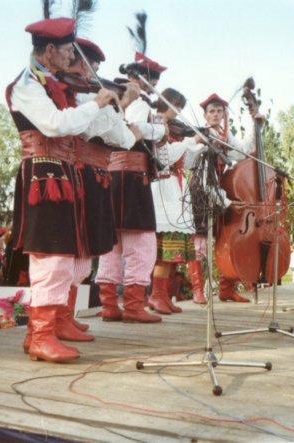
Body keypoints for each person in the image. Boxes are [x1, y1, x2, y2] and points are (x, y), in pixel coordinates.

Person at [6, 17, 119, 362]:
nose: (72, 57)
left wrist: (105, 108)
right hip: (44, 177)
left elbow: (83, 129)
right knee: (51, 256)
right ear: (51, 49)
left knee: (64, 256)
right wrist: (97, 104)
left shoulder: (54, 84)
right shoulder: (27, 85)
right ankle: (41, 335)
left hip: (62, 173)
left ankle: (45, 329)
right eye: (69, 50)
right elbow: (55, 125)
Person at [67, 37, 141, 326]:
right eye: (91, 67)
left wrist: (117, 108)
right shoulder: (78, 96)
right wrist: (122, 103)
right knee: (73, 251)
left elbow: (120, 138)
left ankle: (65, 316)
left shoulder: (90, 96)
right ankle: (60, 317)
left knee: (85, 253)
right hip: (79, 173)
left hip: (96, 175)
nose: (93, 74)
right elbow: (103, 132)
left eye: (95, 69)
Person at [93, 51, 167, 324]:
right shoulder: (138, 100)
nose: (153, 87)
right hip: (133, 177)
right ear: (141, 79)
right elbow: (132, 127)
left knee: (112, 243)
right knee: (142, 243)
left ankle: (110, 305)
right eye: (152, 82)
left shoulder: (115, 95)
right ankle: (134, 306)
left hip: (113, 175)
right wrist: (161, 130)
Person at [187, 93, 258, 303]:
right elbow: (204, 180)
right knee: (200, 244)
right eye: (212, 111)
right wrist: (226, 202)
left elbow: (243, 152)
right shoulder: (201, 137)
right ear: (205, 115)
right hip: (201, 193)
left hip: (219, 191)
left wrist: (254, 124)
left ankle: (226, 289)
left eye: (219, 111)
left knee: (225, 241)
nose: (216, 114)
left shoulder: (225, 136)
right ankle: (197, 290)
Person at [147, 88, 205, 314]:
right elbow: (165, 156)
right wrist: (190, 141)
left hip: (175, 187)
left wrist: (199, 147)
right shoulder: (155, 122)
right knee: (165, 247)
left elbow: (185, 162)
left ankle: (162, 294)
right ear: (167, 102)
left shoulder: (172, 129)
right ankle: (156, 294)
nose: (178, 111)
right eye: (177, 106)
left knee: (172, 249)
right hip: (162, 188)